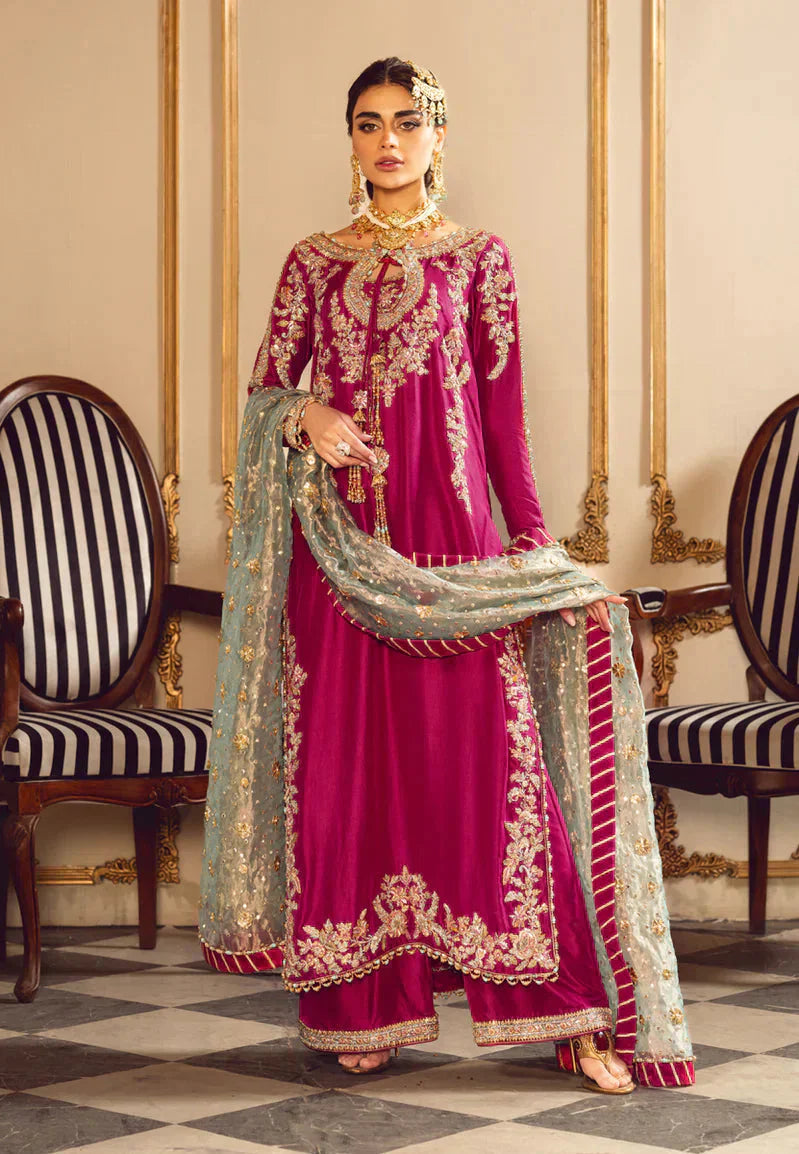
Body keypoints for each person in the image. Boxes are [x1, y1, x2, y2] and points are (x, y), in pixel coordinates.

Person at [200, 58, 694, 1095]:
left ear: (437, 136)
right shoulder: (312, 263)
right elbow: (263, 393)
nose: (387, 140)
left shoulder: (478, 260)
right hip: (338, 562)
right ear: (349, 139)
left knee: (493, 779)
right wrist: (303, 414)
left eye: (406, 122)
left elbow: (503, 421)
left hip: (456, 555)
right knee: (348, 786)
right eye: (367, 123)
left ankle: (570, 1014)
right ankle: (363, 1011)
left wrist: (538, 558)